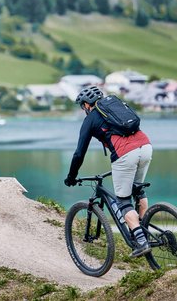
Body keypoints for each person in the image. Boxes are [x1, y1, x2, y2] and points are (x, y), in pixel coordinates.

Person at [64, 86, 153, 257]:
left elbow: (79, 153)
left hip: (125, 154)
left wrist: (71, 176)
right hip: (146, 146)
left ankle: (141, 241)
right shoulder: (117, 105)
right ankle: (142, 228)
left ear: (87, 105)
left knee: (123, 202)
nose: (84, 110)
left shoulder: (90, 119)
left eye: (83, 106)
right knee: (138, 189)